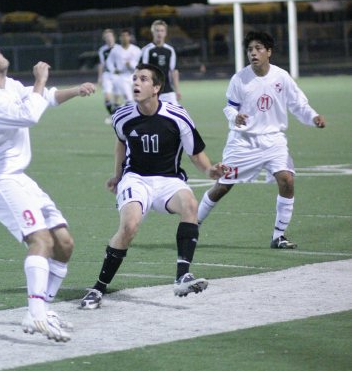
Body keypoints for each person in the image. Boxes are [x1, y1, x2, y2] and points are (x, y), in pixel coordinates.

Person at [0, 41, 95, 340]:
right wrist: (40, 78)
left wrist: (76, 90)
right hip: (0, 180)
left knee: (64, 243)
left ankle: (42, 309)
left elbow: (43, 99)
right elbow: (30, 115)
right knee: (42, 240)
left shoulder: (7, 85)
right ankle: (36, 315)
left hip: (19, 178)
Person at [79, 62, 224, 310]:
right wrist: (117, 175)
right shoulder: (122, 116)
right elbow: (121, 143)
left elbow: (196, 155)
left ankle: (182, 276)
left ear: (156, 87)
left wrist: (211, 170)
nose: (136, 82)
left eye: (143, 79)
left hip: (169, 180)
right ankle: (98, 288)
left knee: (190, 204)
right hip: (136, 178)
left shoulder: (178, 116)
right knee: (129, 226)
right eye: (134, 78)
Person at [197, 30, 326, 248]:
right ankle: (193, 224)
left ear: (269, 52)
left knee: (287, 179)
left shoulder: (281, 77)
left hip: (274, 140)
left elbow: (298, 104)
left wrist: (313, 117)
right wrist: (235, 116)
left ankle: (278, 236)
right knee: (222, 187)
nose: (253, 53)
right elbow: (229, 107)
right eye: (249, 49)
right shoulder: (240, 79)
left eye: (258, 49)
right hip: (243, 142)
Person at [140, 19, 181, 104]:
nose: (159, 33)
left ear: (165, 33)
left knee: (177, 115)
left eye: (162, 31)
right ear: (153, 32)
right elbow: (142, 71)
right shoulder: (147, 50)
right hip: (152, 92)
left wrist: (177, 89)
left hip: (168, 90)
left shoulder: (170, 50)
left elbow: (174, 71)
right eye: (157, 30)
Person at [106, 29, 141, 103]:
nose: (124, 38)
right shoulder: (115, 50)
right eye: (122, 36)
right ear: (120, 38)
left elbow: (140, 63)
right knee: (128, 97)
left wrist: (131, 64)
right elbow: (109, 62)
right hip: (122, 76)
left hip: (134, 75)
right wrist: (113, 70)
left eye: (126, 36)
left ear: (130, 37)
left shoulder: (136, 50)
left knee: (137, 97)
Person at [97, 28, 122, 123]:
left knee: (117, 99)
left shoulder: (119, 48)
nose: (109, 38)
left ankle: (115, 117)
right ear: (104, 38)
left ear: (113, 37)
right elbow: (101, 64)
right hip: (107, 75)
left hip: (118, 75)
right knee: (107, 96)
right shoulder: (102, 50)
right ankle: (112, 115)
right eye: (106, 37)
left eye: (110, 36)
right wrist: (99, 77)